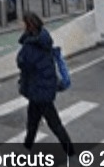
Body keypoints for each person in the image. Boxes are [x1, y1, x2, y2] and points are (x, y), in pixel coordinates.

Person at [16, 11, 73, 158]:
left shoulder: (30, 46)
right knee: (32, 123)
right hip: (41, 89)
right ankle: (26, 148)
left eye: (22, 22)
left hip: (40, 91)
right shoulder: (43, 39)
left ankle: (72, 155)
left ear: (28, 25)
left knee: (55, 125)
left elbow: (23, 63)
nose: (20, 25)